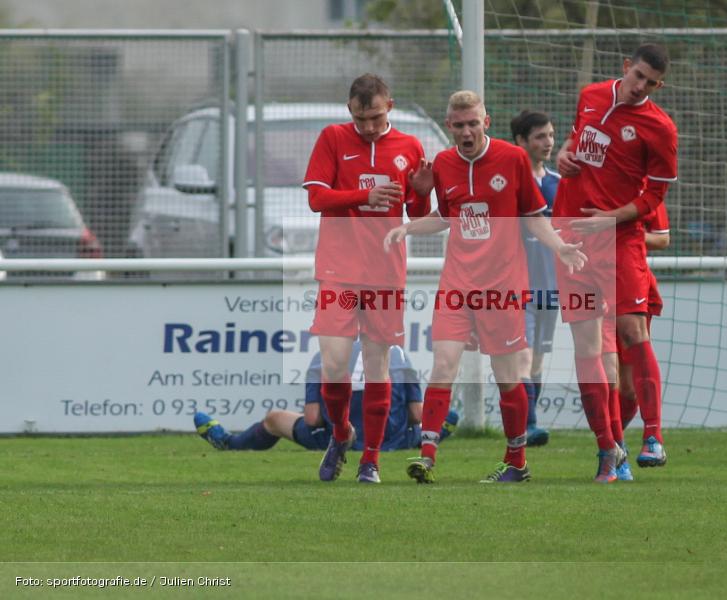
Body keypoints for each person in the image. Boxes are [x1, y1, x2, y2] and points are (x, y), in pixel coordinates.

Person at [384, 90, 586, 484]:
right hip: (457, 284)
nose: (466, 131)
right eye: (458, 125)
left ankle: (517, 462)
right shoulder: (442, 163)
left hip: (503, 287)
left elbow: (533, 216)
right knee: (443, 363)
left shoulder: (512, 160)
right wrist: (409, 224)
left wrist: (560, 247)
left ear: (486, 122)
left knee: (507, 376)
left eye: (472, 123)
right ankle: (427, 455)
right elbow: (445, 216)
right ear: (449, 127)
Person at [554, 43, 678, 483]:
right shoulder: (589, 95)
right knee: (587, 348)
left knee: (632, 330)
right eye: (637, 75)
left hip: (621, 239)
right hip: (573, 238)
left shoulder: (660, 128)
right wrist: (563, 157)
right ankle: (608, 449)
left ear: (658, 85)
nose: (639, 86)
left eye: (650, 82)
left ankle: (653, 437)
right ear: (626, 67)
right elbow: (573, 143)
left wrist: (610, 217)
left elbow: (654, 198)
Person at [300, 73, 432, 483]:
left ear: (389, 106)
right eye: (361, 119)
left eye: (375, 117)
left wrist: (424, 192)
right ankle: (341, 433)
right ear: (349, 111)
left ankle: (369, 460)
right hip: (339, 271)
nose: (369, 126)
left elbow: (422, 219)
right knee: (335, 365)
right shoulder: (333, 138)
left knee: (378, 366)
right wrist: (363, 196)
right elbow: (316, 198)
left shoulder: (410, 147)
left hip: (385, 273)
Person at [192, 343, 458, 454]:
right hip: (393, 439)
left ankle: (230, 443)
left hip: (343, 440)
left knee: (274, 419)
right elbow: (416, 414)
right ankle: (431, 438)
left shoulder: (325, 355)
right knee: (441, 417)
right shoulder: (397, 352)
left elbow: (312, 418)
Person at [604, 202, 670, 482]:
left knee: (629, 387)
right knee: (609, 376)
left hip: (630, 275)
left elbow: (663, 238)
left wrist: (624, 231)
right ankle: (613, 450)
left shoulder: (642, 187)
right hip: (592, 275)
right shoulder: (583, 174)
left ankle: (650, 438)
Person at [510, 109, 560, 447]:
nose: (549, 142)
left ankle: (529, 421)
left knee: (539, 358)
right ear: (521, 142)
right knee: (523, 357)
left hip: (553, 287)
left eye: (551, 135)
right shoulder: (510, 182)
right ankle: (526, 425)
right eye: (540, 136)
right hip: (518, 287)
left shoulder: (559, 183)